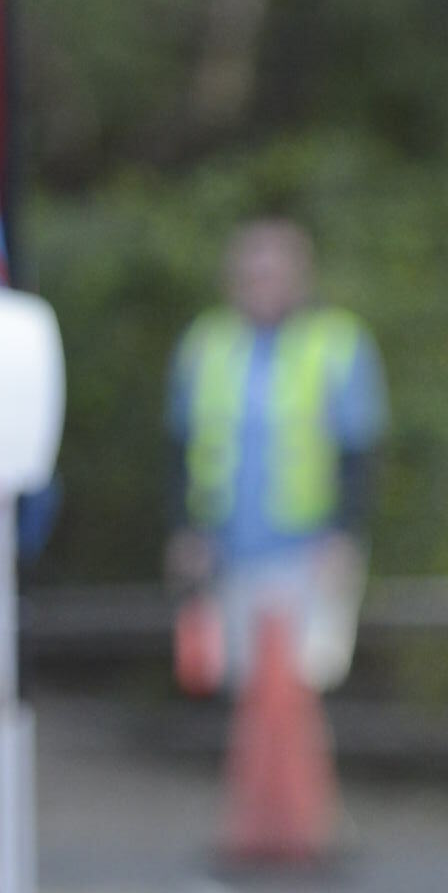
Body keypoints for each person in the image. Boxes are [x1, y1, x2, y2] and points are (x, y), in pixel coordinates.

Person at [164, 219, 386, 695]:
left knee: (298, 686)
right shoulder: (205, 342)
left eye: (272, 274)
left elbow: (360, 451)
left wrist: (345, 534)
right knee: (241, 685)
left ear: (301, 278)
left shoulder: (336, 342)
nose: (261, 286)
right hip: (227, 550)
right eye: (251, 275)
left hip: (307, 550)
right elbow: (179, 448)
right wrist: (186, 529)